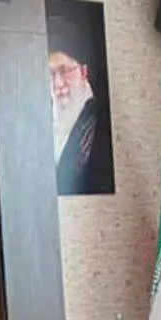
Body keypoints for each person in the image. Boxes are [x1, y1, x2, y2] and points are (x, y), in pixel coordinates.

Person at [48, 16, 115, 197]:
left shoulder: (101, 122)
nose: (58, 83)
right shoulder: (45, 121)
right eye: (51, 73)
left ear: (83, 72)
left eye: (64, 71)